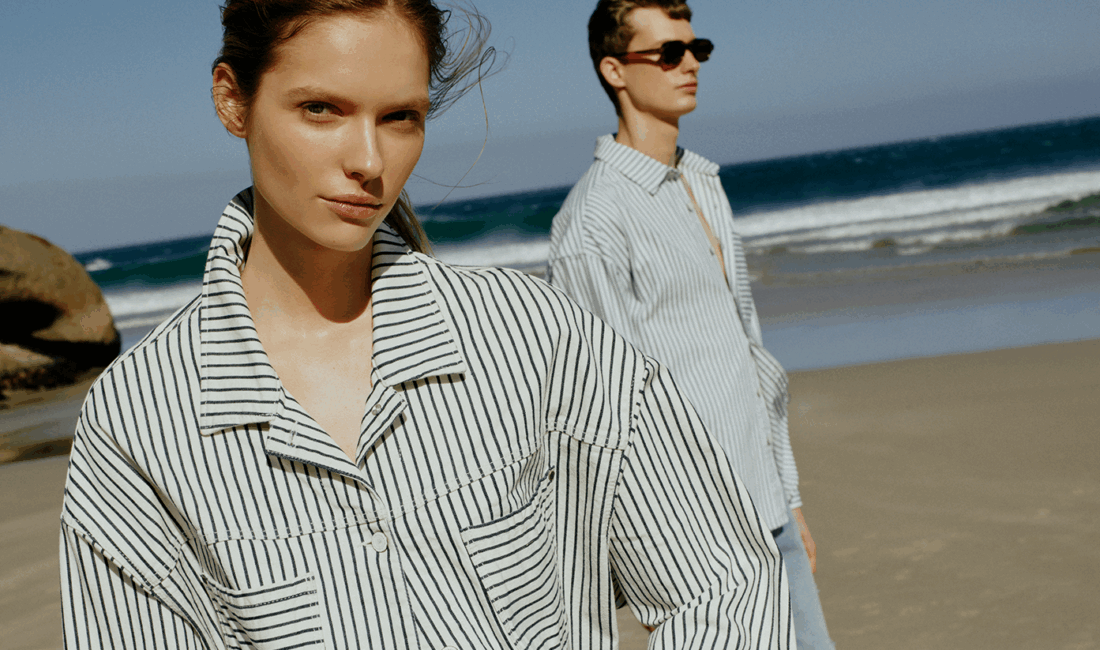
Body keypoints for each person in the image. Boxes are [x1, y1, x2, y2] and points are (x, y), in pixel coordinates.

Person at [59, 1, 792, 648]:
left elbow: (723, 585)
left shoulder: (530, 336)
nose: (369, 160)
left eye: (400, 118)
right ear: (232, 100)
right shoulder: (137, 424)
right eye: (321, 109)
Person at [547, 1, 835, 648]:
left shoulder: (703, 185)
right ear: (615, 70)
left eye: (696, 49)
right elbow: (604, 413)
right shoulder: (592, 222)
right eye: (670, 52)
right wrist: (654, 574)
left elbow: (750, 359)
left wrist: (788, 499)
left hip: (766, 507)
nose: (690, 65)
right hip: (696, 541)